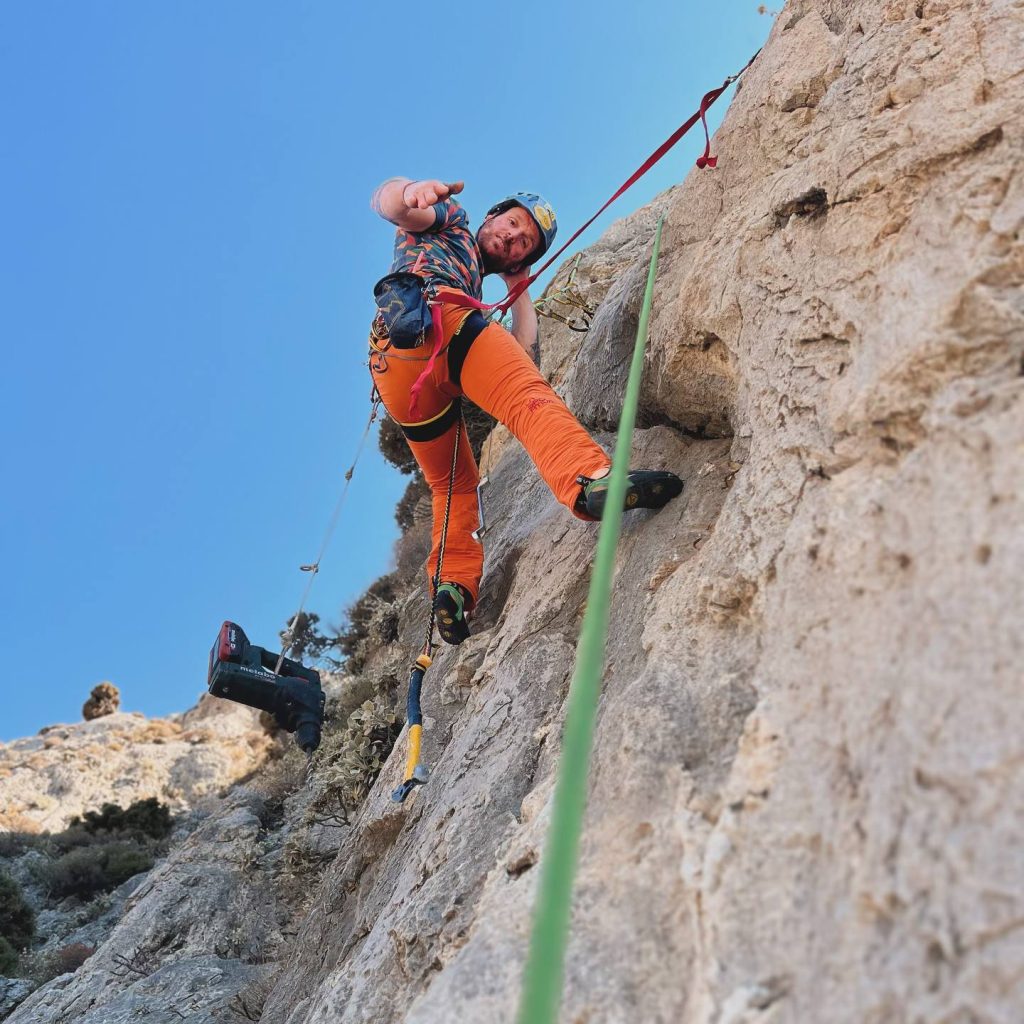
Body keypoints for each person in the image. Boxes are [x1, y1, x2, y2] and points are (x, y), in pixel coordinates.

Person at [368, 176, 682, 644]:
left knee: (452, 482)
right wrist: (410, 190)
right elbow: (392, 205)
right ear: (492, 214)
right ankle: (589, 479)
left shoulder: (478, 276)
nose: (513, 239)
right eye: (513, 223)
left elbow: (524, 352)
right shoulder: (453, 221)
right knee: (525, 398)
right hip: (442, 318)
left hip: (394, 363)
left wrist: (520, 290)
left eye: (523, 245)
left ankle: (451, 585)